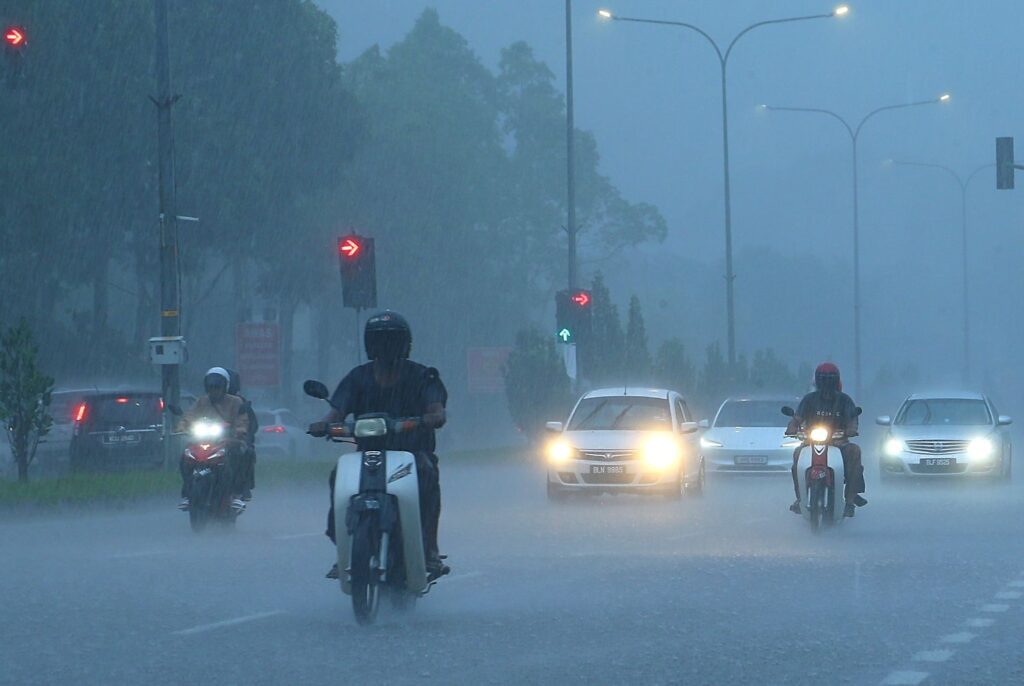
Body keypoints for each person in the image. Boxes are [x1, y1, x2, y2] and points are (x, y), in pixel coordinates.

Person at [309, 311, 449, 581]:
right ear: (369, 345)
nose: (386, 347)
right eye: (379, 341)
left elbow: (436, 407)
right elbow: (336, 411)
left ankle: (429, 549)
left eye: (392, 341)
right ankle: (345, 550)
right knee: (338, 475)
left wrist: (432, 416)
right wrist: (323, 424)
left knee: (427, 474)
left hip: (412, 453)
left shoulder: (423, 376)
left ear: (404, 344)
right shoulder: (357, 377)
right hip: (367, 455)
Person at [787, 362, 867, 518]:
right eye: (823, 378)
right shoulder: (809, 400)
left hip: (839, 443)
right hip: (811, 443)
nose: (827, 383)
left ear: (836, 380)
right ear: (817, 380)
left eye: (830, 379)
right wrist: (791, 428)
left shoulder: (845, 400)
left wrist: (851, 430)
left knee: (855, 451)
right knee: (797, 454)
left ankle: (850, 501)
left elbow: (852, 418)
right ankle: (799, 499)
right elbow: (797, 418)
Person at [177, 367, 251, 512]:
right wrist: (181, 428)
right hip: (202, 440)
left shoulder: (235, 402)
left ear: (225, 387)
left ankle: (236, 494)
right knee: (185, 457)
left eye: (217, 387)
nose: (214, 390)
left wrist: (239, 432)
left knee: (240, 455)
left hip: (227, 441)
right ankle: (187, 494)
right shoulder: (201, 402)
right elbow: (189, 417)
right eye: (211, 387)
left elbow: (242, 420)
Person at [226, 368, 258, 502]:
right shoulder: (206, 402)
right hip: (211, 439)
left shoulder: (241, 402)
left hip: (234, 439)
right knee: (187, 454)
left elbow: (253, 425)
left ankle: (243, 487)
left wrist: (243, 434)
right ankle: (188, 490)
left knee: (246, 452)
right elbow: (195, 416)